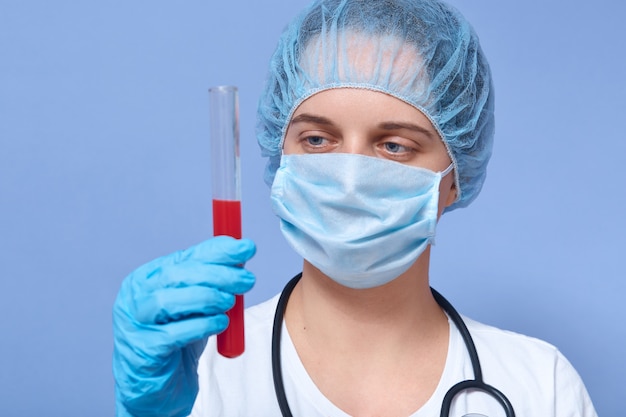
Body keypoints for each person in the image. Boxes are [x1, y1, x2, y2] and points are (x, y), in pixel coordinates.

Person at [112, 0, 599, 416]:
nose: (348, 179)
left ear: (454, 179)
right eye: (318, 139)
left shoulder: (540, 388)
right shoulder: (201, 373)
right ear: (281, 156)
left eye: (394, 147)